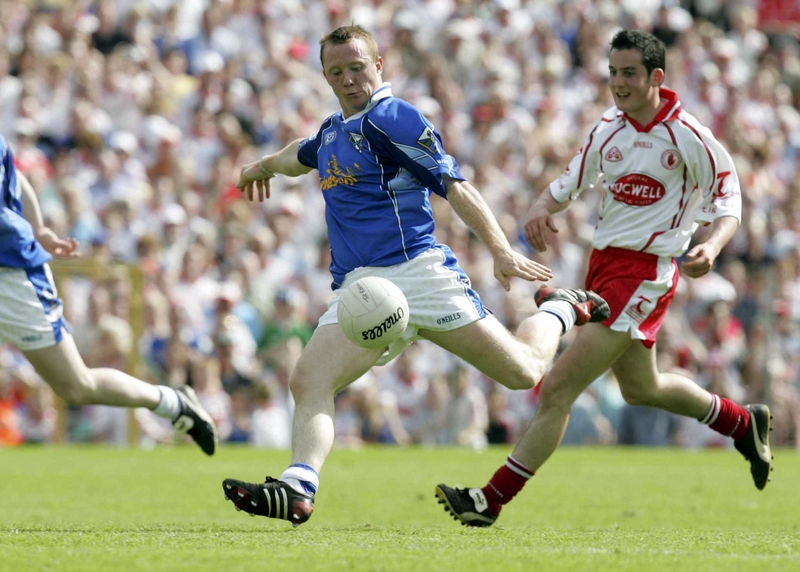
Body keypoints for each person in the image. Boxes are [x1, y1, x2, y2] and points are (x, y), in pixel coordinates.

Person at [222, 24, 609, 526]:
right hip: (362, 289)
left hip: (419, 273)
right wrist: (260, 167)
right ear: (324, 76)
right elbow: (300, 153)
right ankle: (299, 487)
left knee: (522, 372)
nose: (348, 78)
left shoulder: (393, 118)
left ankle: (559, 308)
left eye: (357, 67)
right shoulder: (333, 132)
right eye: (335, 71)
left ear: (378, 66)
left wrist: (501, 251)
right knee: (308, 380)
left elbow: (456, 186)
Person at [435, 30, 772, 528]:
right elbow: (567, 184)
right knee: (642, 388)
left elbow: (729, 201)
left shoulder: (689, 135)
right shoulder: (607, 130)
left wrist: (713, 244)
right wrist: (539, 208)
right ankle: (743, 423)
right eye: (613, 73)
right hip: (603, 267)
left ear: (656, 77)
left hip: (646, 273)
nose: (619, 83)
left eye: (630, 73)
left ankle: (490, 500)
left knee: (557, 389)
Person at [0, 133, 218, 455]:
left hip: (13, 275)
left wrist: (40, 229)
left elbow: (15, 179)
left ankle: (172, 403)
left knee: (76, 385)